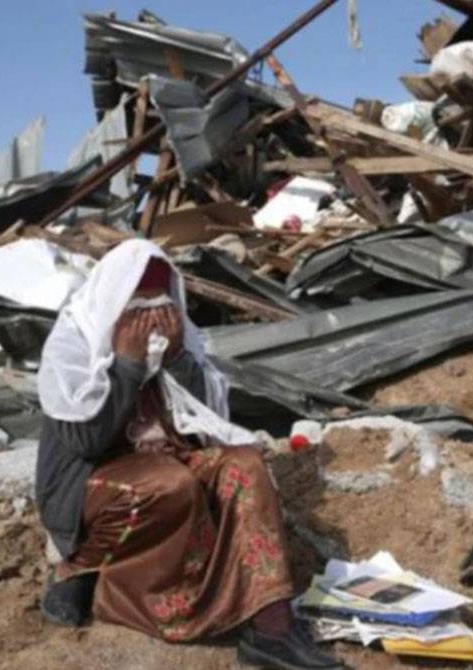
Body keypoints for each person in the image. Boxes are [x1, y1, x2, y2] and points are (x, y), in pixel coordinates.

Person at [35, 240, 342, 670]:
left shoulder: (181, 342)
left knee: (245, 466)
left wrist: (176, 358)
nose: (152, 321)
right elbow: (86, 442)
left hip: (168, 465)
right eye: (138, 309)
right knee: (170, 486)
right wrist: (126, 363)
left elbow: (204, 425)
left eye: (162, 307)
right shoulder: (73, 348)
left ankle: (270, 626)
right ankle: (89, 576)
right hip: (95, 485)